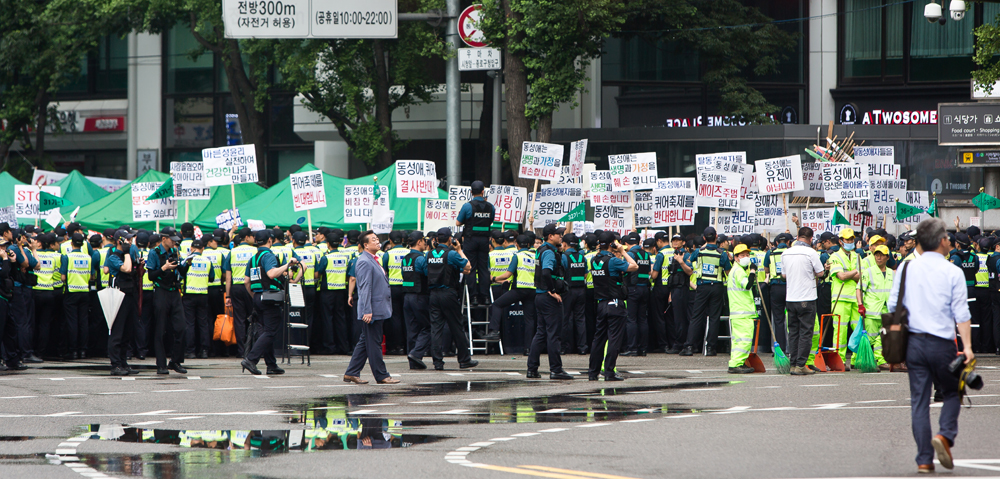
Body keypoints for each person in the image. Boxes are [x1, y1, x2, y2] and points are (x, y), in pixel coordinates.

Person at [888, 218, 974, 474]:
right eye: (947, 236)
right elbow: (962, 313)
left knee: (919, 401)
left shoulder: (906, 268)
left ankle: (924, 459)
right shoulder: (952, 271)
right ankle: (945, 435)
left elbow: (893, 306)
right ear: (941, 241)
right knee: (952, 392)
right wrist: (967, 348)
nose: (949, 239)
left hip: (912, 343)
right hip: (942, 343)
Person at [342, 231, 399, 384]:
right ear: (365, 245)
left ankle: (351, 372)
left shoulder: (374, 259)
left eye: (377, 238)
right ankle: (382, 375)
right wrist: (367, 310)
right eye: (373, 240)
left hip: (378, 307)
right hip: (372, 310)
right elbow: (365, 287)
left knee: (365, 341)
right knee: (374, 343)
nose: (378, 241)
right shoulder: (364, 261)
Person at [241, 230, 297, 375]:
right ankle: (251, 360)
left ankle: (271, 364)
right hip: (269, 298)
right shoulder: (268, 256)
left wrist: (255, 295)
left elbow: (247, 281)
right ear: (270, 241)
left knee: (265, 332)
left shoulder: (253, 258)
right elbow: (271, 273)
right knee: (270, 332)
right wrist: (288, 265)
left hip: (258, 297)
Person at [426, 228, 478, 370]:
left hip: (433, 294)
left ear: (436, 239)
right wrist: (460, 249)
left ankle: (437, 362)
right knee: (456, 326)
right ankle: (464, 359)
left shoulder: (428, 254)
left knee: (436, 328)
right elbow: (468, 266)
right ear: (450, 239)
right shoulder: (452, 254)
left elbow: (426, 271)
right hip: (448, 293)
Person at [588, 232, 637, 381]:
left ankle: (593, 371)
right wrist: (622, 251)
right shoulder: (613, 261)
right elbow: (634, 266)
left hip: (601, 303)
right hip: (615, 303)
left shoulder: (594, 259)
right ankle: (609, 371)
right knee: (614, 339)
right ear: (611, 244)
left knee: (599, 339)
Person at [527, 223, 572, 380]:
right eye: (558, 234)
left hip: (540, 296)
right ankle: (556, 370)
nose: (561, 236)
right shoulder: (549, 253)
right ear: (550, 236)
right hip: (548, 297)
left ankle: (532, 368)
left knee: (541, 333)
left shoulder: (543, 250)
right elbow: (546, 272)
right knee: (553, 334)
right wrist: (552, 291)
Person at [681, 227, 731, 356]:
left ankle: (689, 346)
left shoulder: (699, 251)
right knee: (714, 317)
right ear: (716, 237)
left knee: (696, 316)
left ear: (704, 238)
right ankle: (711, 348)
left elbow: (689, 262)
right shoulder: (722, 253)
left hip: (702, 286)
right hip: (717, 287)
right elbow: (728, 272)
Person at [781, 227, 825, 375]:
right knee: (806, 332)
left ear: (797, 237)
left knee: (793, 332)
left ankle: (793, 364)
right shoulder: (811, 252)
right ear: (811, 239)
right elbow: (820, 272)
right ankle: (801, 365)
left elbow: (784, 275)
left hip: (791, 297)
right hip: (807, 297)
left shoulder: (786, 252)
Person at [145, 227, 188, 375]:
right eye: (172, 240)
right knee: (160, 330)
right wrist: (164, 268)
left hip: (175, 292)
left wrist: (186, 263)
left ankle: (175, 361)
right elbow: (151, 276)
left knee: (181, 327)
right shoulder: (154, 253)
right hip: (161, 293)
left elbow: (181, 272)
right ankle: (161, 364)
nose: (174, 243)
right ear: (164, 239)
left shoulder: (174, 252)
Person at [489, 234, 538, 352]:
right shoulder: (535, 256)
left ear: (516, 244)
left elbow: (508, 274)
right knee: (529, 320)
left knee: (497, 304)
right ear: (529, 244)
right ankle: (528, 348)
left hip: (519, 289)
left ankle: (494, 331)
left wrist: (494, 279)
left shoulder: (518, 256)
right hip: (532, 290)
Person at [456, 181, 496, 307]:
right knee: (483, 268)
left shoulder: (467, 206)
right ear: (483, 191)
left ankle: (473, 297)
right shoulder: (491, 207)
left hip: (470, 240)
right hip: (484, 241)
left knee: (471, 267)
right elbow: (490, 221)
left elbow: (458, 223)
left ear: (471, 192)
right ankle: (485, 297)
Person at [105, 230, 138, 376]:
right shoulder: (114, 256)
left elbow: (133, 270)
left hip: (130, 295)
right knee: (117, 331)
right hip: (118, 295)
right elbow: (126, 268)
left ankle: (124, 362)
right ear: (120, 241)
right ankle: (115, 364)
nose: (130, 242)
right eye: (128, 240)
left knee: (127, 332)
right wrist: (126, 253)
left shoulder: (128, 254)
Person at [855, 244, 893, 371]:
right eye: (877, 254)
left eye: (881, 255)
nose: (878, 257)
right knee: (870, 339)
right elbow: (859, 290)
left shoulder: (891, 273)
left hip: (886, 311)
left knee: (882, 338)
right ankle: (862, 360)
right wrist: (860, 305)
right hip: (872, 311)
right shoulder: (868, 272)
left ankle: (879, 360)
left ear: (887, 257)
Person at [827, 228, 861, 366]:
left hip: (855, 297)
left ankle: (856, 359)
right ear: (841, 241)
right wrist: (855, 272)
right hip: (840, 298)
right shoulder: (835, 257)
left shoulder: (857, 256)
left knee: (857, 331)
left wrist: (850, 274)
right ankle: (839, 361)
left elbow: (861, 278)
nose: (850, 242)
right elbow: (841, 276)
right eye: (847, 239)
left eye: (852, 239)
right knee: (840, 331)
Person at [316, 231, 351, 355]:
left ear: (328, 244)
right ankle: (343, 346)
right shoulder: (344, 257)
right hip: (342, 291)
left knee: (327, 320)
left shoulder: (326, 258)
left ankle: (329, 347)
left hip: (327, 292)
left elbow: (317, 273)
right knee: (341, 319)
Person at [225, 228, 259, 356]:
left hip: (236, 288)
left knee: (239, 320)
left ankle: (241, 351)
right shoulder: (255, 251)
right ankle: (254, 349)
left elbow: (228, 277)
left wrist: (228, 295)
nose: (254, 239)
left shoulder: (232, 252)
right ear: (247, 237)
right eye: (252, 236)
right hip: (252, 287)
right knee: (255, 318)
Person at [61, 232, 93, 361]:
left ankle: (73, 350)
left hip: (71, 292)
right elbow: (92, 276)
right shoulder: (88, 258)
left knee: (72, 322)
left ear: (71, 243)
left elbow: (63, 277)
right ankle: (83, 350)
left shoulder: (67, 257)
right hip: (85, 291)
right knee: (83, 321)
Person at [726, 244, 758, 374]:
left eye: (747, 255)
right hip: (742, 312)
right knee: (744, 339)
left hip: (739, 312)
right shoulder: (738, 271)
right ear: (736, 258)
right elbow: (747, 285)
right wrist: (752, 272)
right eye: (742, 255)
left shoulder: (737, 270)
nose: (746, 257)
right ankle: (736, 364)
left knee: (738, 340)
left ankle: (737, 362)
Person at [402, 231, 432, 369]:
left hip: (407, 296)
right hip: (420, 296)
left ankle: (413, 361)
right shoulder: (421, 259)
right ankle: (416, 353)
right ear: (419, 242)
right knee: (429, 327)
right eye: (424, 240)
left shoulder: (405, 258)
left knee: (412, 329)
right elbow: (428, 275)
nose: (426, 243)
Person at [181, 239, 215, 359]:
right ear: (203, 249)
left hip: (189, 293)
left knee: (189, 323)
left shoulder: (187, 260)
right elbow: (212, 278)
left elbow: (181, 274)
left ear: (191, 248)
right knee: (203, 323)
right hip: (203, 294)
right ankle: (204, 350)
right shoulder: (207, 261)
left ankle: (190, 351)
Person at [483, 230, 515, 343]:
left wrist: (495, 279)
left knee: (495, 313)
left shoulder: (489, 255)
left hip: (494, 287)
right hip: (509, 288)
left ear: (492, 240)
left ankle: (494, 341)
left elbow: (486, 273)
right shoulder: (512, 254)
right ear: (504, 241)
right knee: (507, 316)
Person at [622, 233, 651, 357]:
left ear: (627, 244)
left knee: (631, 319)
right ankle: (643, 349)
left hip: (633, 289)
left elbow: (624, 270)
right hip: (645, 288)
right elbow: (649, 271)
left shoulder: (629, 255)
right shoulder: (646, 254)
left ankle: (632, 348)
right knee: (643, 319)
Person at [560, 233, 588, 355]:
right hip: (581, 290)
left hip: (568, 291)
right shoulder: (583, 257)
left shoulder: (563, 257)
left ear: (564, 244)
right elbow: (585, 274)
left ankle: (564, 347)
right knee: (580, 319)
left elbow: (561, 274)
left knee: (565, 318)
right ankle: (582, 347)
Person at [382, 231, 409, 355]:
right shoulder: (409, 252)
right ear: (402, 240)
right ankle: (408, 345)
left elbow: (385, 271)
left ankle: (398, 346)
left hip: (393, 288)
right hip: (408, 288)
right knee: (408, 317)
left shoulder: (388, 254)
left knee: (395, 318)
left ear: (390, 241)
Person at [763, 233, 791, 353]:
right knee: (792, 317)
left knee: (778, 319)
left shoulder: (771, 252)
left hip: (775, 287)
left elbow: (766, 269)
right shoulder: (792, 251)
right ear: (789, 242)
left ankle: (781, 348)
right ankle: (792, 347)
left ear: (776, 243)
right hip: (790, 287)